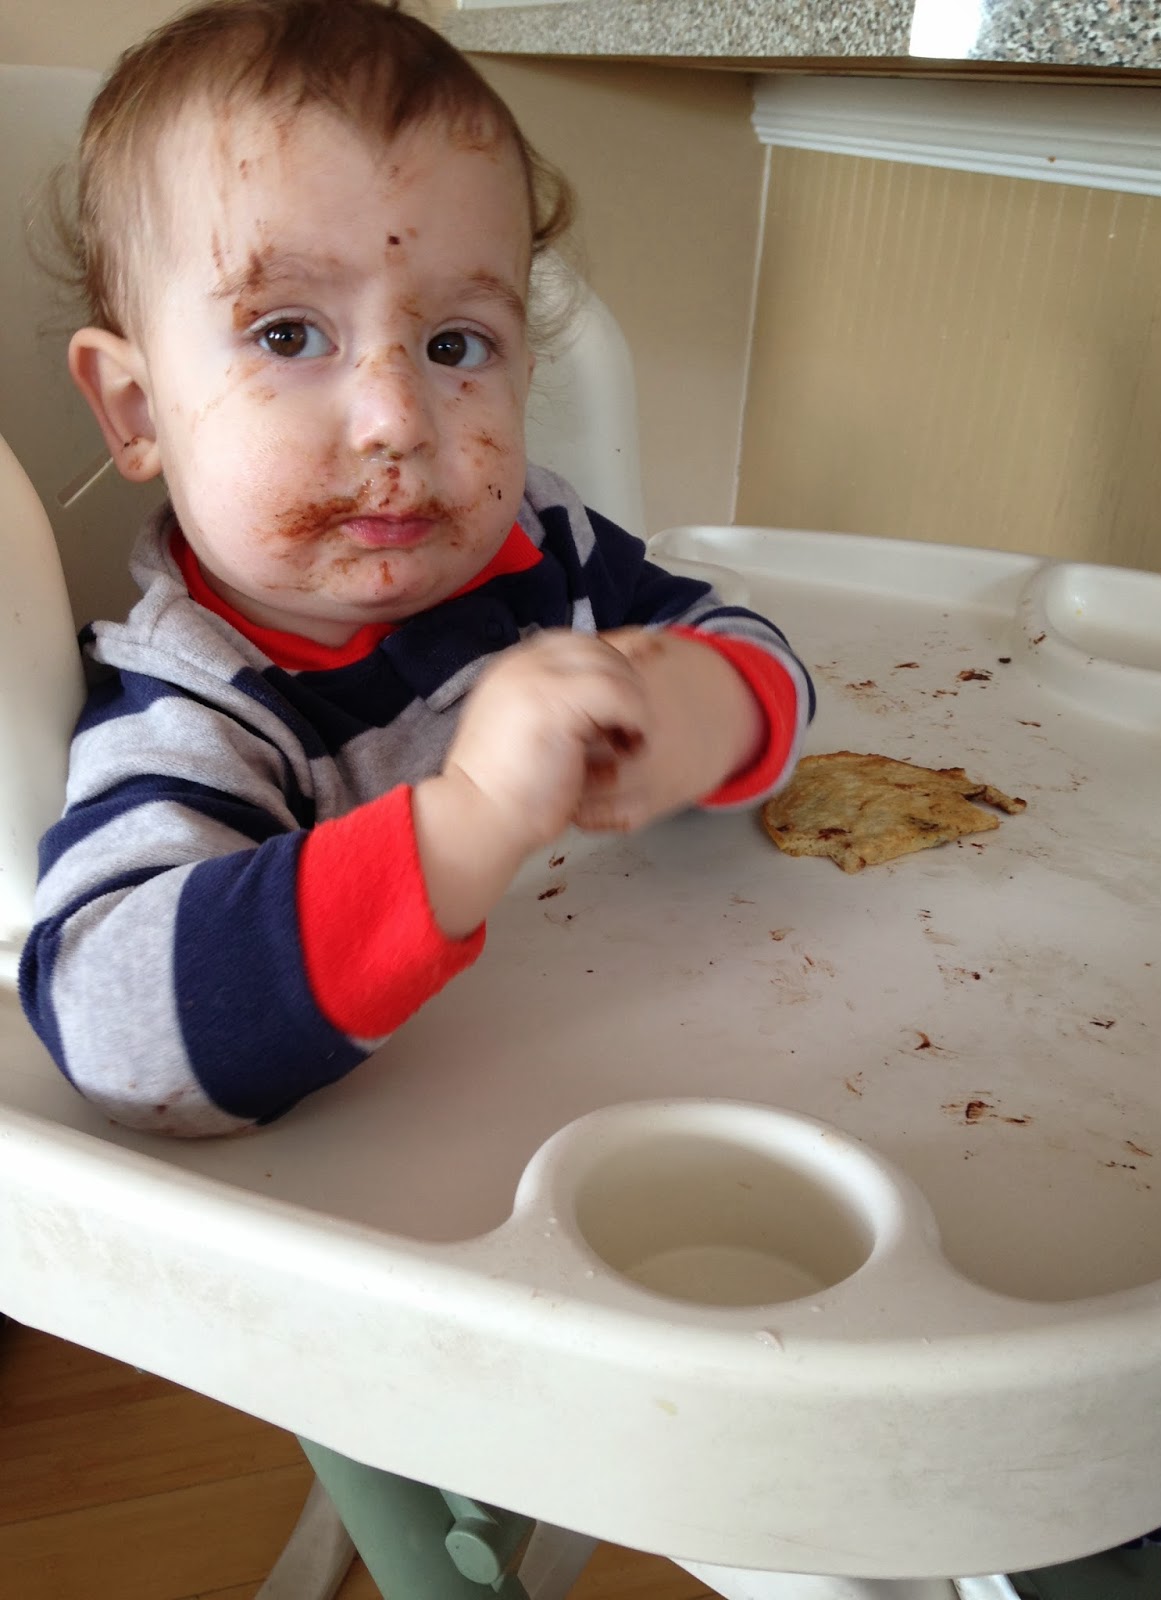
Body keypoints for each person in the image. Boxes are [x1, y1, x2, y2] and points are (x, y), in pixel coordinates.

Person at [19, 0, 814, 1137]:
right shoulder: (195, 709)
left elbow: (755, 651)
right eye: (288, 334)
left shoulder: (551, 555)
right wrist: (472, 817)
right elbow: (113, 1029)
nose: (398, 420)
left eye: (455, 346)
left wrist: (710, 711)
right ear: (140, 409)